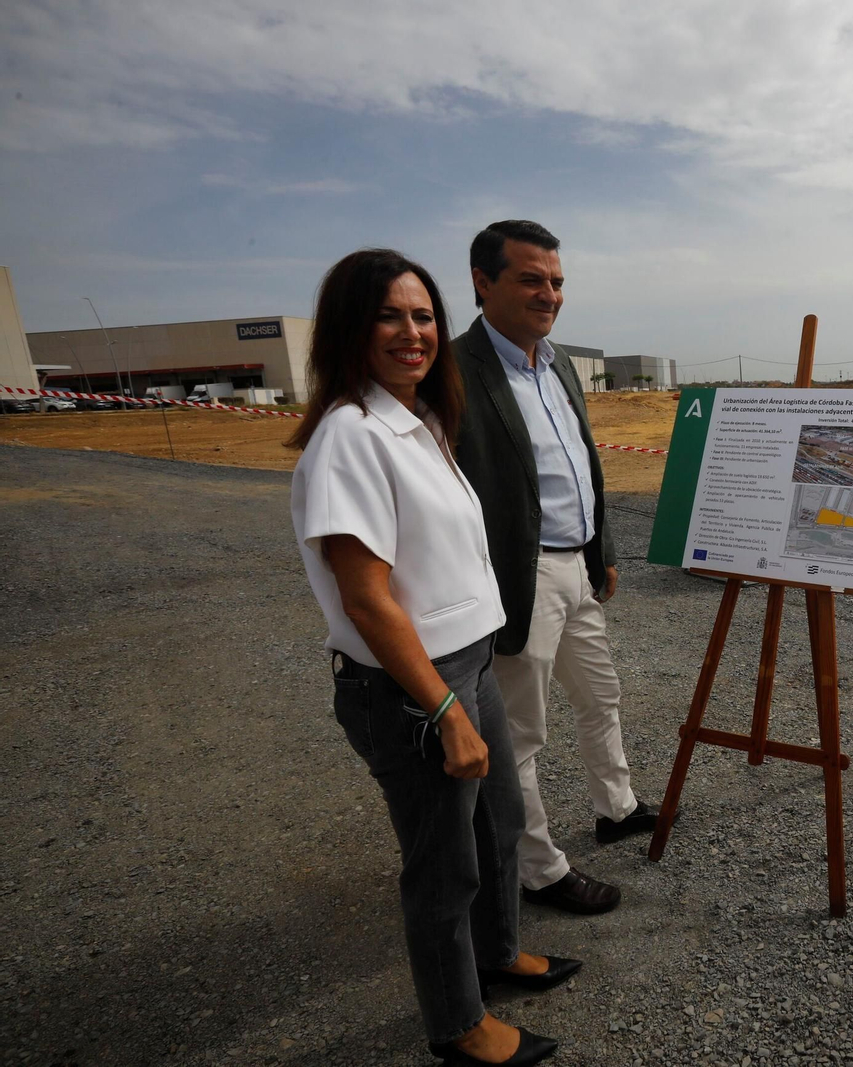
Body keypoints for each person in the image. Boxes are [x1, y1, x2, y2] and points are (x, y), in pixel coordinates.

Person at [289, 248, 576, 1066]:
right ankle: (458, 1024)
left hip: (471, 661)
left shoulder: (419, 420)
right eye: (390, 315)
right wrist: (445, 710)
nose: (413, 332)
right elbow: (367, 598)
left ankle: (496, 955)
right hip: (413, 686)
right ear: (351, 327)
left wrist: (471, 682)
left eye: (424, 316)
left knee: (499, 825)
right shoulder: (352, 435)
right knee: (442, 864)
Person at [452, 220, 657, 916]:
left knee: (601, 694)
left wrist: (603, 550)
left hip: (578, 565)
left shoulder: (558, 360)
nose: (550, 293)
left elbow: (582, 463)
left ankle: (616, 805)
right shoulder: (452, 371)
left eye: (558, 281)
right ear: (484, 283)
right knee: (520, 732)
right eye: (532, 278)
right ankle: (537, 867)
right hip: (518, 577)